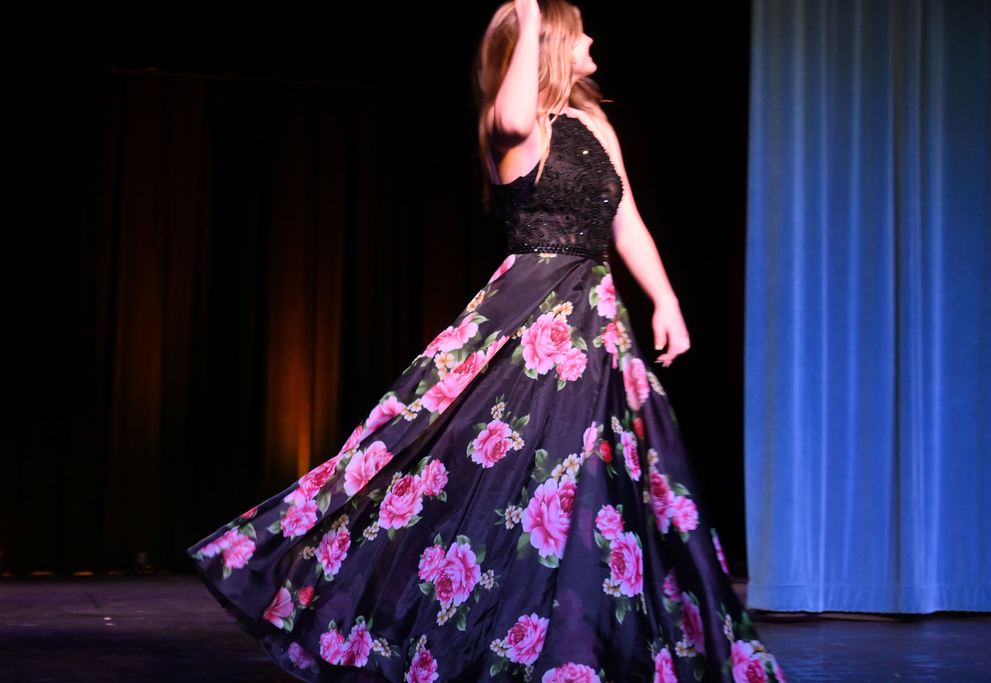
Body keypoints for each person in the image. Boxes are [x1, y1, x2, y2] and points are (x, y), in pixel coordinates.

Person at [186, 1, 787, 681]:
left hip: (596, 324)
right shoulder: (517, 131)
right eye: (578, 29)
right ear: (549, 42)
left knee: (595, 483)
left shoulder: (596, 124)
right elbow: (513, 114)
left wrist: (667, 299)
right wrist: (528, 14)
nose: (592, 38)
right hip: (532, 319)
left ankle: (580, 646)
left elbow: (628, 223)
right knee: (505, 475)